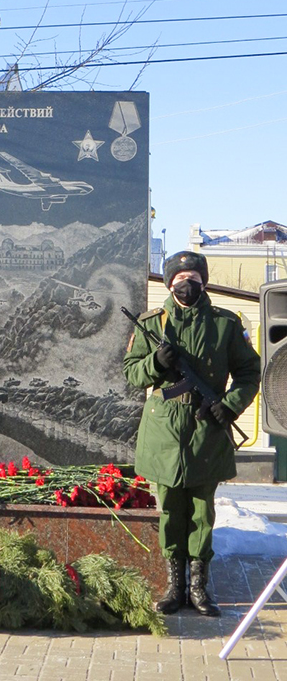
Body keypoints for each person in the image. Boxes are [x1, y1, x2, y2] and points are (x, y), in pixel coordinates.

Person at [124, 250, 260, 616]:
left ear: (205, 282)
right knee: (169, 510)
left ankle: (199, 587)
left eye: (194, 279)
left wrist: (229, 405)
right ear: (169, 283)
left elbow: (250, 373)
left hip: (207, 430)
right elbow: (132, 373)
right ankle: (174, 586)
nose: (186, 285)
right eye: (180, 279)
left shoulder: (226, 324)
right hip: (164, 433)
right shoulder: (153, 323)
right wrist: (156, 363)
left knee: (202, 512)